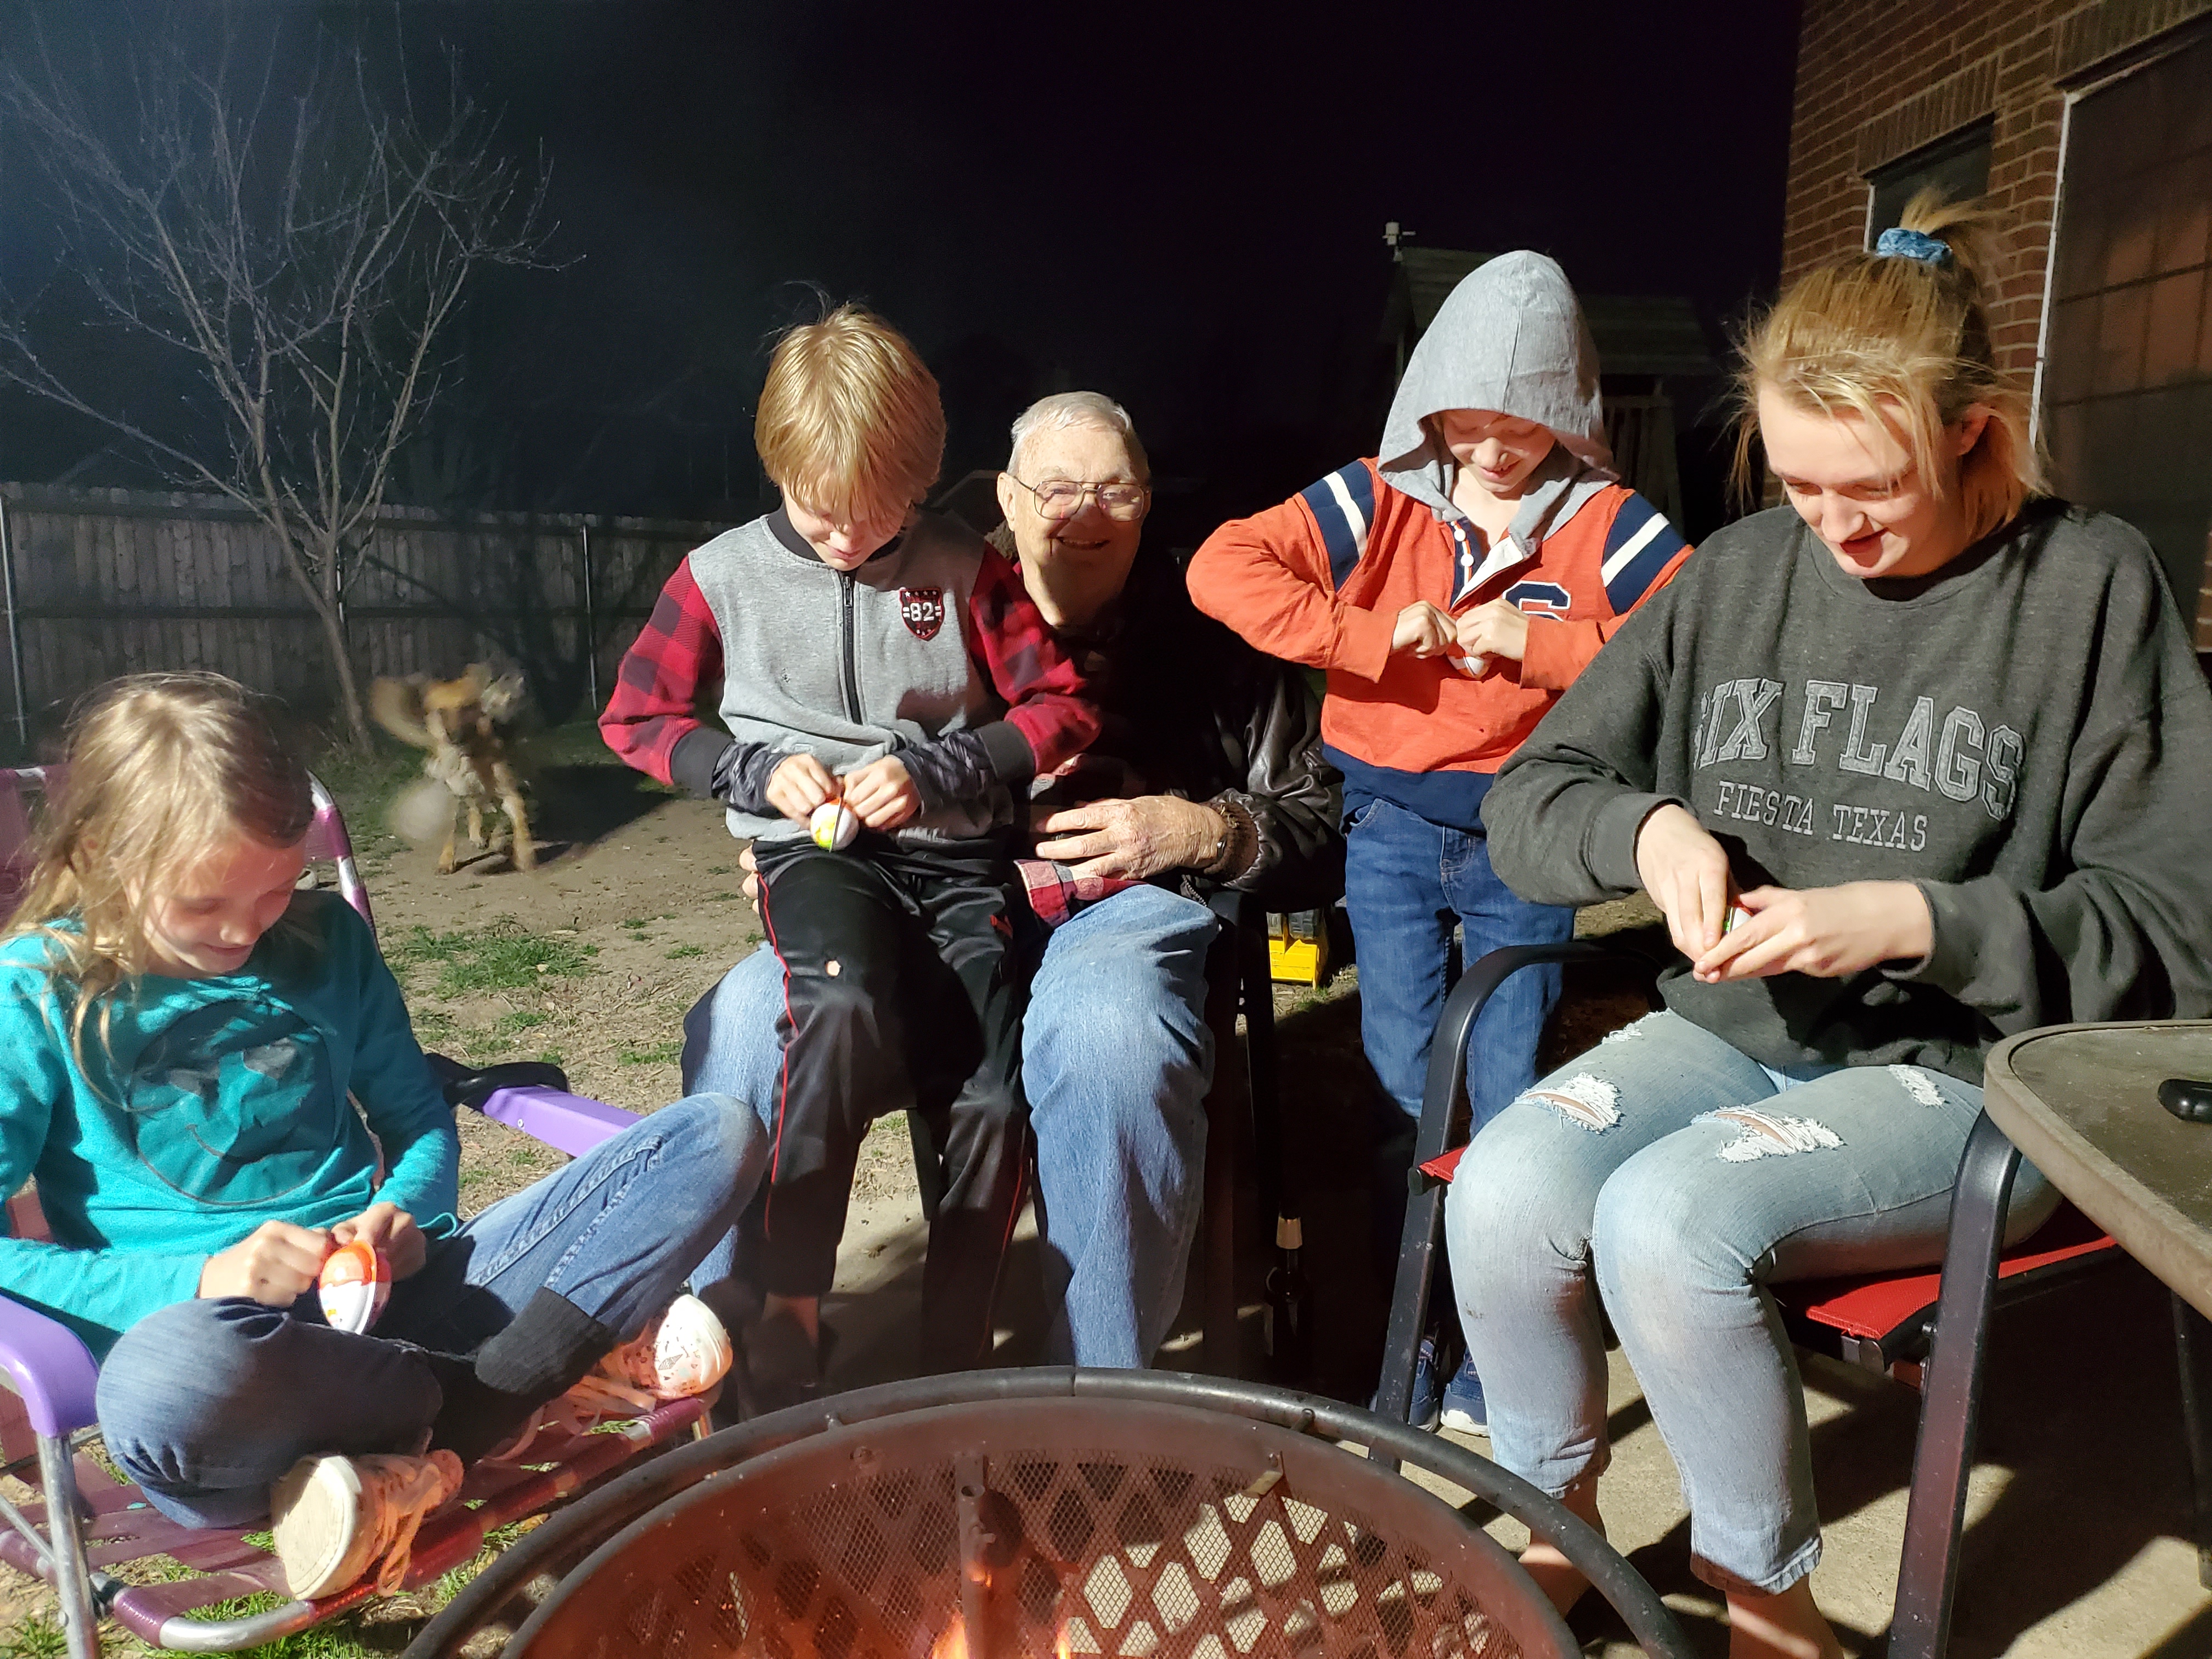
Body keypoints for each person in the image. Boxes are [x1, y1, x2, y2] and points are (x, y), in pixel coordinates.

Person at [1451, 194, 2212, 1659]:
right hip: (1732, 1034)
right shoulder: (1739, 573)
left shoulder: (2088, 587)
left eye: (1871, 488)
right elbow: (1535, 795)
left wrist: (1914, 921)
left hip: (1965, 1074)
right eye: (1798, 484)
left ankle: (1768, 1609)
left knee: (1669, 1226)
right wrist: (1650, 831)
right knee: (1504, 1189)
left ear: (1974, 436)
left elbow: (2176, 932)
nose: (1833, 527)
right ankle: (1559, 1527)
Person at [1, 673, 758, 1601]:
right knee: (166, 1377)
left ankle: (438, 1438)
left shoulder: (326, 942)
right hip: (238, 1388)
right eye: (201, 905)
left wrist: (405, 1211)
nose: (243, 929)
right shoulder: (34, 992)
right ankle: (515, 1386)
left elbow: (417, 1118)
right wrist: (198, 1281)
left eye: (277, 888)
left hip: (402, 1302)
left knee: (715, 1133)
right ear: (103, 856)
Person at [683, 390, 1342, 1373]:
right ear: (1007, 496)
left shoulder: (1211, 627)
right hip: (915, 899)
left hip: (1114, 908)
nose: (1084, 514)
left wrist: (1202, 827)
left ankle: (1098, 1390)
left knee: (1107, 1030)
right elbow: (807, 743)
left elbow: (1322, 817)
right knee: (745, 1018)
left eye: (1114, 491)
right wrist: (801, 846)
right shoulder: (917, 583)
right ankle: (726, 1373)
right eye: (1057, 489)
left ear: (1149, 500)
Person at [1185, 252, 1691, 1431]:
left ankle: (1493, 1363)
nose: (1493, 449)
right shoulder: (1377, 496)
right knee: (1402, 1092)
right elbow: (1221, 567)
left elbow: (1694, 634)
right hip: (1392, 829)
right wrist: (1367, 637)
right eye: (1468, 421)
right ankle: (1405, 1344)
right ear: (1429, 403)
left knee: (1510, 1104)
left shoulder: (1605, 521)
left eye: (1522, 424)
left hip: (1528, 831)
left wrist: (1539, 646)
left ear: (1568, 407)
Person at [601, 309, 1099, 1400]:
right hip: (815, 854)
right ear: (779, 467)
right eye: (821, 511)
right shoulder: (721, 575)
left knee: (991, 1093)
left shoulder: (965, 569)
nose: (845, 538)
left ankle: (953, 1356)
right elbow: (635, 719)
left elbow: (1063, 709)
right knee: (837, 1001)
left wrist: (944, 769)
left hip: (956, 861)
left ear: (919, 484)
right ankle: (789, 1307)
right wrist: (746, 772)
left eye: (879, 515)